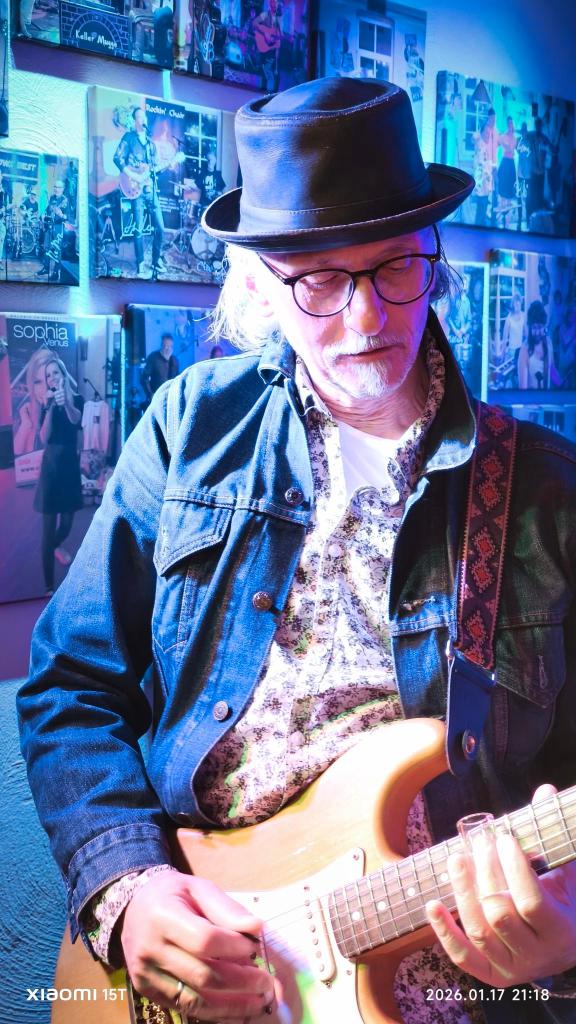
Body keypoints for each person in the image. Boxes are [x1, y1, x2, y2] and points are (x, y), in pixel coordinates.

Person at [18, 78, 576, 1024]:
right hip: (206, 959)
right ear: (259, 286)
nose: (366, 321)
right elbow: (71, 685)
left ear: (434, 259)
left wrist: (566, 938)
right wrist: (128, 888)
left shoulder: (549, 492)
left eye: (395, 267)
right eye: (319, 281)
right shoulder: (189, 429)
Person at [32, 355, 83, 595]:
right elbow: (44, 437)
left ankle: (52, 547)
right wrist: (50, 406)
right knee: (48, 528)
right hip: (51, 468)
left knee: (68, 523)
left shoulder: (78, 398)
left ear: (63, 373)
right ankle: (48, 586)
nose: (52, 378)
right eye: (48, 375)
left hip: (70, 466)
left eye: (55, 372)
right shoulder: (45, 403)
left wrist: (66, 403)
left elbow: (75, 420)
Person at [113, 106, 166, 280]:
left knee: (160, 227)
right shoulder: (129, 138)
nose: (142, 120)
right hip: (135, 188)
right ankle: (140, 263)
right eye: (139, 117)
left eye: (144, 117)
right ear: (134, 121)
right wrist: (133, 175)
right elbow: (117, 158)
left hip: (150, 189)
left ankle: (156, 260)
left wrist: (167, 165)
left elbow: (155, 169)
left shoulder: (151, 144)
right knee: (139, 229)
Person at [517, 300, 558, 389]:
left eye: (540, 327)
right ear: (530, 327)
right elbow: (523, 389)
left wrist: (560, 384)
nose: (537, 332)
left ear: (544, 326)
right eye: (534, 328)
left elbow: (551, 369)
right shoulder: (524, 350)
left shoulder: (548, 343)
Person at [141, 331, 180, 402]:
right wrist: (150, 394)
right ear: (161, 345)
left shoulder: (174, 360)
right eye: (166, 346)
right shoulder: (153, 357)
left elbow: (177, 379)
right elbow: (144, 378)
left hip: (170, 398)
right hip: (156, 396)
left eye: (170, 346)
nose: (168, 349)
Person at [502, 291, 525, 385]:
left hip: (521, 351)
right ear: (513, 304)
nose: (517, 304)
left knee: (520, 377)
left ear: (521, 303)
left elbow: (527, 335)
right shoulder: (509, 319)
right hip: (511, 353)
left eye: (518, 302)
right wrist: (503, 356)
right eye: (515, 302)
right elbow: (504, 339)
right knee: (510, 378)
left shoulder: (524, 316)